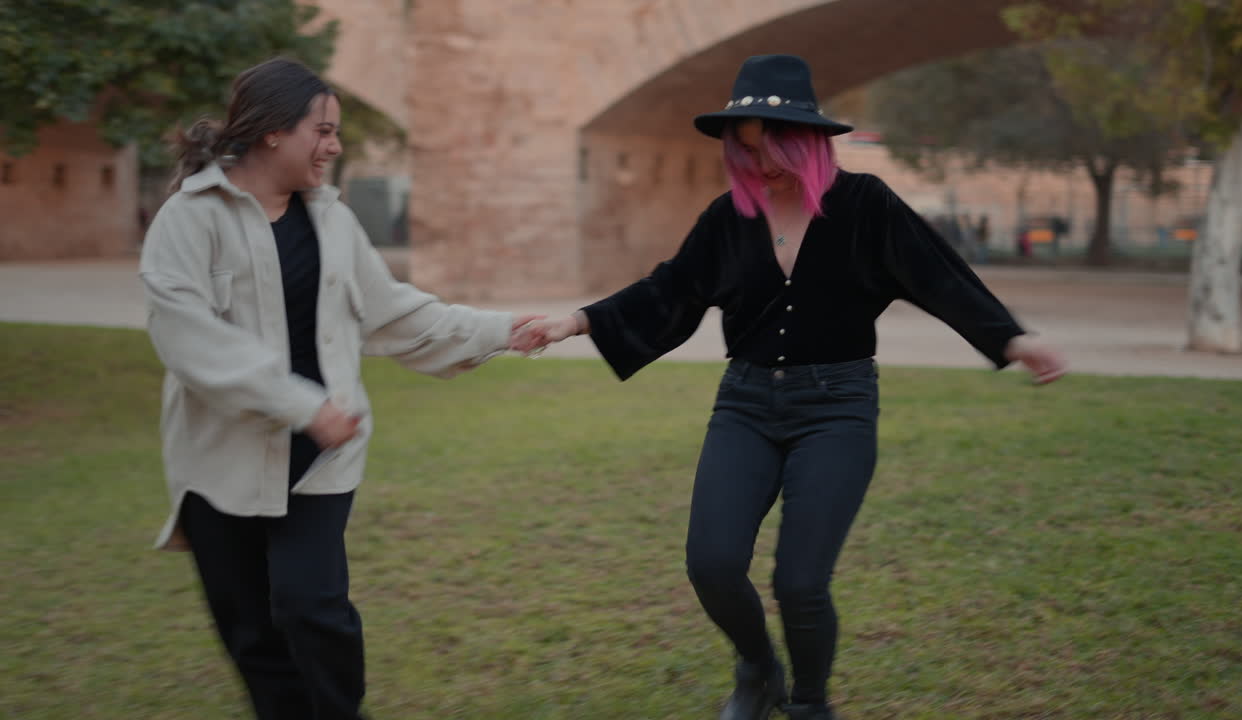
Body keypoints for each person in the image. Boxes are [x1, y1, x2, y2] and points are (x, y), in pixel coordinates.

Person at [521, 55, 1066, 720]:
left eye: (773, 146)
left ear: (806, 139)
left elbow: (938, 275)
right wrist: (573, 321)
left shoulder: (866, 206)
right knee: (712, 564)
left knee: (800, 582)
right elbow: (669, 289)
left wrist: (1013, 338)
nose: (762, 163)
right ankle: (758, 670)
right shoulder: (729, 218)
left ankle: (809, 704)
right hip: (745, 405)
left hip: (836, 408)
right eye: (746, 149)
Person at [140, 58, 541, 720]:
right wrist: (303, 405)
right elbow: (190, 341)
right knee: (251, 634)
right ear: (272, 131)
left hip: (323, 456)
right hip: (219, 464)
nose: (335, 145)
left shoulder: (331, 221)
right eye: (322, 130)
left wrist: (502, 329)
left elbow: (395, 313)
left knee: (313, 607)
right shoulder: (188, 219)